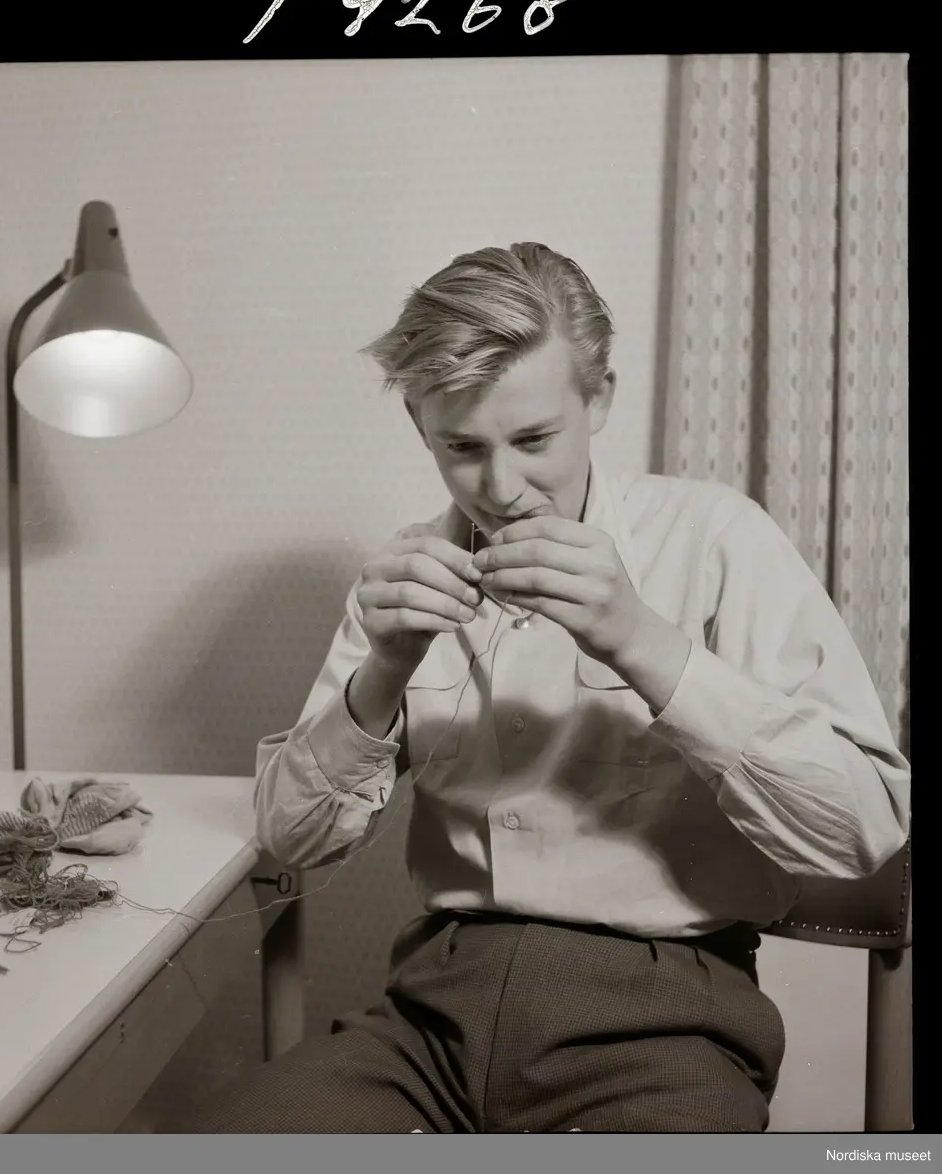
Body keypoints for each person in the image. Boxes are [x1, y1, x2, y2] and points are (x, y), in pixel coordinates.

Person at [193, 242, 910, 1133]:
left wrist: (640, 640)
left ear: (598, 399)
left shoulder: (717, 538)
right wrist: (384, 670)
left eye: (533, 440)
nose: (499, 489)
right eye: (461, 447)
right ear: (419, 424)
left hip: (667, 1025)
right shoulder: (409, 575)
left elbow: (862, 828)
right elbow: (290, 840)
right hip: (430, 1019)